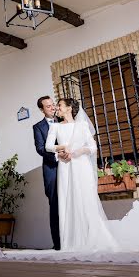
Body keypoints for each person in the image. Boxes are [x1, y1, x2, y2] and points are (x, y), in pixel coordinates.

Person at [45, 97, 119, 252]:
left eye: (59, 105)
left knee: (85, 199)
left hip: (81, 166)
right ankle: (71, 243)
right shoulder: (55, 127)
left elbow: (92, 147)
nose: (57, 108)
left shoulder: (83, 125)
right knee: (68, 199)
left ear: (69, 108)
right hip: (66, 167)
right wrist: (63, 150)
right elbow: (48, 146)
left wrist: (77, 152)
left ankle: (92, 239)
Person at [32, 96, 60, 250]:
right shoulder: (38, 127)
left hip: (70, 167)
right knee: (55, 205)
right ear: (42, 110)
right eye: (48, 106)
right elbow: (40, 148)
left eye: (53, 104)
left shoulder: (64, 121)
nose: (52, 108)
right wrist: (57, 155)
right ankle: (58, 244)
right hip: (52, 169)